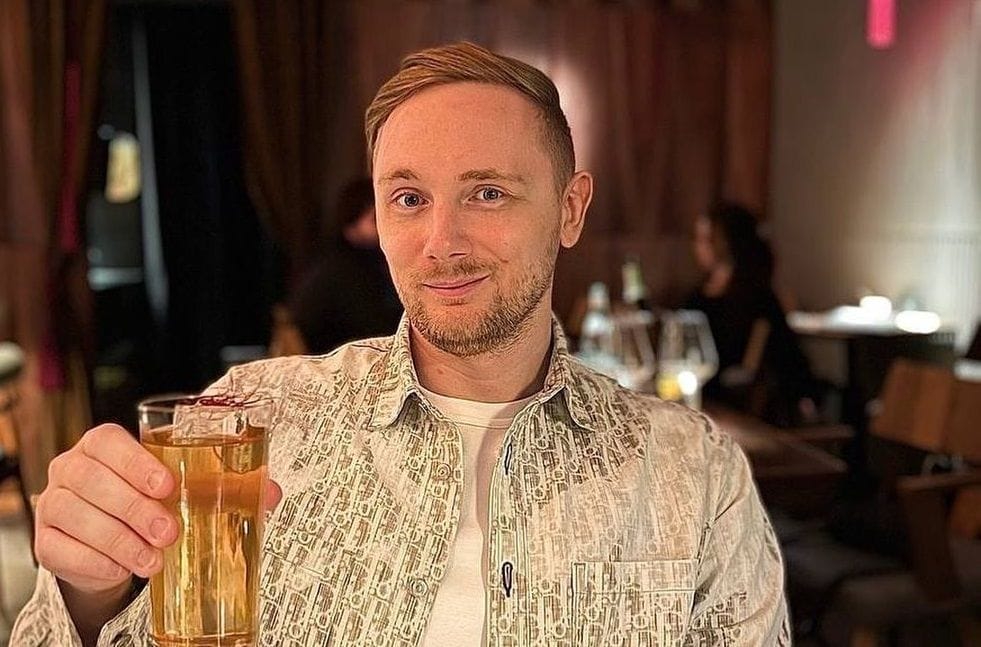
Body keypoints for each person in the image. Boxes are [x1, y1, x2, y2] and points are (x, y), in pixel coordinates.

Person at [13, 43, 789, 646]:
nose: (440, 242)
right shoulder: (250, 421)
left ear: (570, 208)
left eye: (487, 192)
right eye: (409, 198)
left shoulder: (694, 473)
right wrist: (90, 592)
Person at [686, 201, 820, 426]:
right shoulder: (698, 295)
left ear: (726, 243)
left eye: (705, 239)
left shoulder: (757, 297)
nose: (697, 247)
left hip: (736, 407)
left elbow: (789, 358)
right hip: (703, 400)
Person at [287, 177, 402, 354]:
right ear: (353, 217)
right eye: (375, 218)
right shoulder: (341, 267)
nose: (384, 226)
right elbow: (375, 328)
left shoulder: (360, 258)